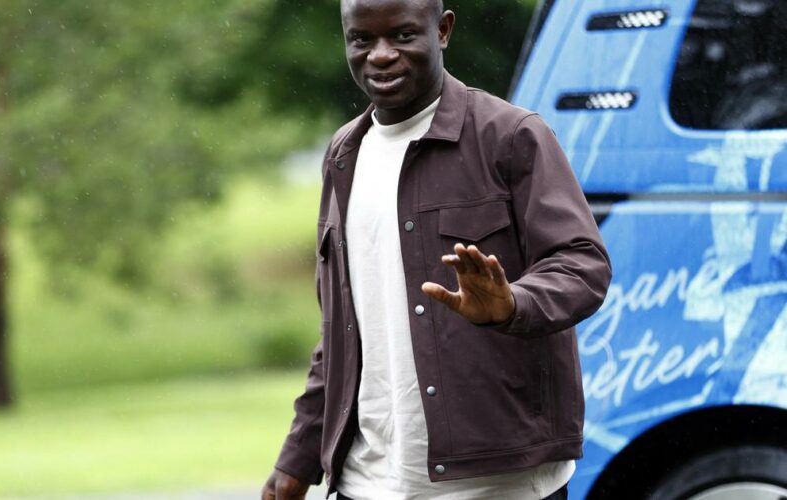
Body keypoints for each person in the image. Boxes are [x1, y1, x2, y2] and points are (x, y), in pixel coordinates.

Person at [261, 0, 612, 498]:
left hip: (499, 483)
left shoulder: (510, 136)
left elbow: (583, 265)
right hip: (369, 482)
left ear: (442, 30)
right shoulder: (344, 155)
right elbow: (343, 328)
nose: (380, 55)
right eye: (362, 39)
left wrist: (514, 303)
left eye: (402, 36)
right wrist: (298, 456)